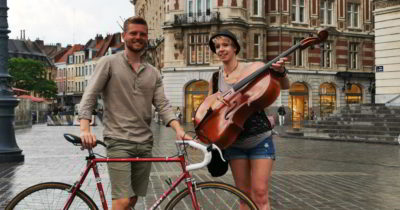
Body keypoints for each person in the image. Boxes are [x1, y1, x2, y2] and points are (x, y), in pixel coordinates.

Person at [78, 16, 191, 210]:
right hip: (118, 140)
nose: (138, 37)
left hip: (145, 143)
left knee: (132, 200)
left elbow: (162, 105)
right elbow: (89, 96)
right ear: (124, 36)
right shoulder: (109, 63)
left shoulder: (153, 72)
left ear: (147, 37)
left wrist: (179, 129)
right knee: (121, 201)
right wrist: (85, 129)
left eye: (142, 34)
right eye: (133, 33)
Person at [208, 30, 290, 210]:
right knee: (243, 195)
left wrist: (281, 72)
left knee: (260, 193)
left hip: (260, 139)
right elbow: (211, 109)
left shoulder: (252, 70)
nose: (221, 49)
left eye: (225, 45)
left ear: (235, 47)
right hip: (234, 142)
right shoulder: (215, 78)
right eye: (217, 47)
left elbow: (285, 86)